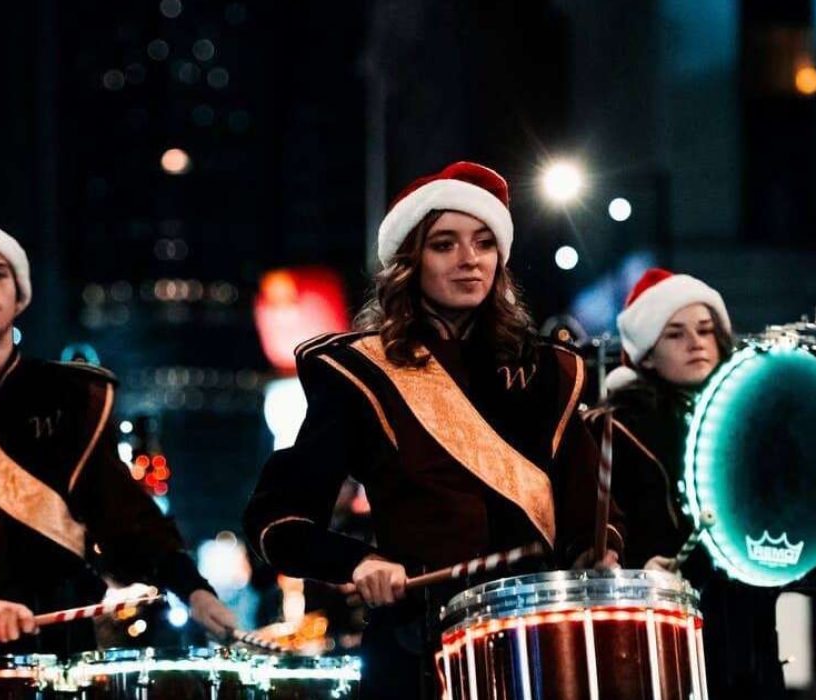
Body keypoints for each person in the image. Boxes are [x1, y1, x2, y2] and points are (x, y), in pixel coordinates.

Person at [244, 161, 623, 699]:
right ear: (409, 261)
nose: (470, 260)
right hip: (419, 646)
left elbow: (593, 513)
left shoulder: (550, 373)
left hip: (541, 646)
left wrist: (598, 549)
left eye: (484, 243)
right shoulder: (363, 373)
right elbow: (277, 518)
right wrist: (360, 562)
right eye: (444, 244)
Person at [0, 216, 237, 653]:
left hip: (59, 641)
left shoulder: (72, 395)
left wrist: (193, 590)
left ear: (19, 296)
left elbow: (121, 512)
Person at [584, 267, 785, 700]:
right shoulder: (613, 430)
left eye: (705, 330)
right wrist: (638, 570)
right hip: (660, 630)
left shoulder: (750, 420)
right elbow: (600, 528)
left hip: (745, 627)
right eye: (675, 334)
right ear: (647, 354)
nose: (696, 342)